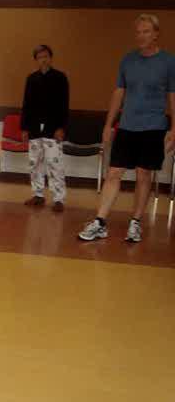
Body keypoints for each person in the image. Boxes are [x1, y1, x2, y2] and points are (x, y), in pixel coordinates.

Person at [79, 14, 175, 242]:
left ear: (156, 34)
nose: (141, 36)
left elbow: (173, 96)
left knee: (144, 175)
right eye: (138, 32)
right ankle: (100, 222)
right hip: (127, 125)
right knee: (114, 173)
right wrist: (108, 123)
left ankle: (136, 222)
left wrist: (174, 129)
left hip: (154, 126)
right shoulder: (128, 60)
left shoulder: (169, 62)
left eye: (146, 32)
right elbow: (119, 93)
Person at [21, 44, 69, 212]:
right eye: (40, 57)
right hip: (34, 127)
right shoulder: (31, 79)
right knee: (35, 163)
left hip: (53, 127)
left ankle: (59, 199)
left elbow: (64, 105)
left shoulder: (60, 78)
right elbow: (26, 104)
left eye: (46, 56)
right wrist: (25, 128)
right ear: (36, 60)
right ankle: (38, 194)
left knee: (54, 163)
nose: (43, 59)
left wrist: (61, 127)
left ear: (51, 57)